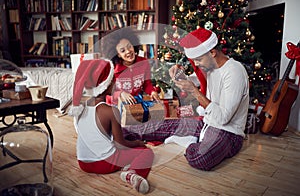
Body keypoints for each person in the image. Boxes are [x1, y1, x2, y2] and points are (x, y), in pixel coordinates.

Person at [122, 27, 249, 171]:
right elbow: (196, 81)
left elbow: (223, 118)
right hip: (206, 124)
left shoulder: (234, 72)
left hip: (228, 133)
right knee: (163, 125)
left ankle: (192, 142)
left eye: (199, 60)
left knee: (200, 159)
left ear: (212, 53)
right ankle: (121, 133)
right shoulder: (212, 68)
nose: (197, 64)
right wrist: (180, 77)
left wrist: (194, 92)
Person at [68, 59, 154, 194]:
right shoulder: (110, 111)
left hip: (83, 163)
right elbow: (120, 144)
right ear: (105, 84)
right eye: (112, 79)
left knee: (125, 137)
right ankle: (132, 173)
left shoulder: (80, 107)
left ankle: (126, 166)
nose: (116, 82)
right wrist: (138, 143)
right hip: (104, 163)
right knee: (146, 152)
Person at [102, 27, 160, 105]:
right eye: (123, 50)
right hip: (115, 106)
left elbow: (147, 84)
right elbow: (107, 92)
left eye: (129, 46)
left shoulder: (143, 63)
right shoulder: (112, 68)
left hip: (135, 105)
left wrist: (152, 92)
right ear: (118, 54)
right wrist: (121, 94)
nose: (128, 51)